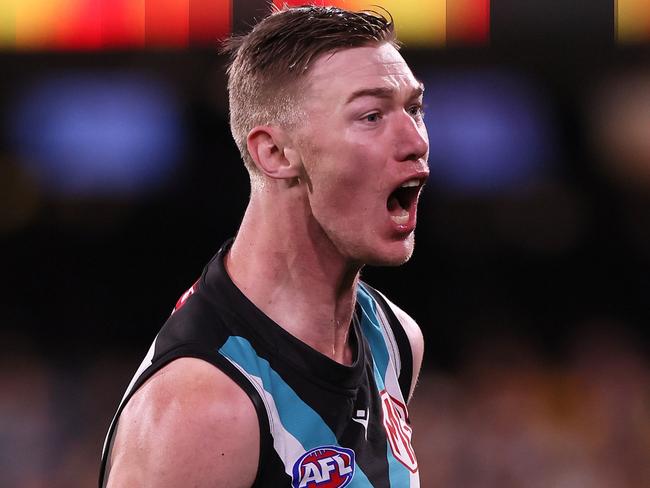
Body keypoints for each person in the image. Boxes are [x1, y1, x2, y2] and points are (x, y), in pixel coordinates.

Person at [99, 4, 429, 487]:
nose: (415, 139)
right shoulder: (202, 407)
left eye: (415, 109)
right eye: (372, 115)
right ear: (273, 153)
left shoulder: (394, 340)